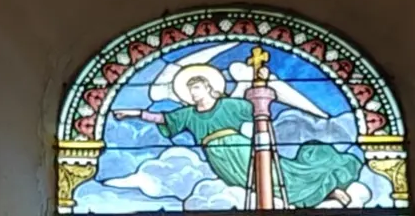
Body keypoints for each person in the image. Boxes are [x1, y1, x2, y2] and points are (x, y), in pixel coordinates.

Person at [115, 61, 361, 208]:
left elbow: (257, 107)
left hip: (238, 148)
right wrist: (134, 113)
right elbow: (162, 118)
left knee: (277, 176)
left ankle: (328, 188)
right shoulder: (188, 114)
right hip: (217, 157)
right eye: (190, 89)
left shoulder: (229, 105)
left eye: (197, 87)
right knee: (252, 186)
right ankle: (317, 195)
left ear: (209, 87)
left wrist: (254, 80)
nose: (193, 93)